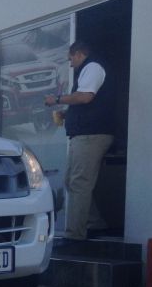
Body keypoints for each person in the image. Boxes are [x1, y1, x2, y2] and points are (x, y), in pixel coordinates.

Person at [45, 40, 114, 241]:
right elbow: (86, 101)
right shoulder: (89, 69)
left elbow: (85, 97)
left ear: (78, 54)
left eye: (70, 59)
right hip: (84, 134)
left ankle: (75, 235)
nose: (70, 64)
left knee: (79, 183)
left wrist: (57, 100)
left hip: (92, 134)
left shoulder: (92, 67)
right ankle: (95, 223)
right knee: (72, 181)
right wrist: (68, 115)